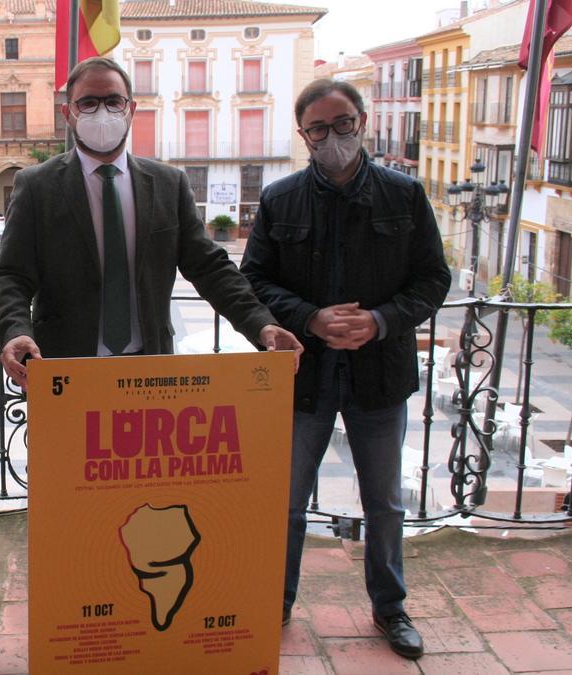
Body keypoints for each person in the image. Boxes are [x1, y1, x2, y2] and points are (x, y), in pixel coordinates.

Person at [240, 78, 451, 660]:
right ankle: (274, 603)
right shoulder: (281, 199)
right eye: (318, 128)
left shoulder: (404, 196)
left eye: (342, 124)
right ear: (302, 134)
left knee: (384, 502)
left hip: (379, 375)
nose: (332, 137)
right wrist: (309, 317)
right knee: (285, 501)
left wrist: (381, 320)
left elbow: (434, 279)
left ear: (363, 121)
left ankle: (390, 608)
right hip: (302, 378)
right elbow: (253, 279)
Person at [0, 57, 302, 384]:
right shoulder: (37, 185)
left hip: (149, 370)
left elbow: (209, 267)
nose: (102, 112)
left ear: (131, 109)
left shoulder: (169, 184)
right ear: (68, 113)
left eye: (113, 101)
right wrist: (14, 331)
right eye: (88, 102)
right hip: (64, 370)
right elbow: (12, 275)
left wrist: (261, 323)